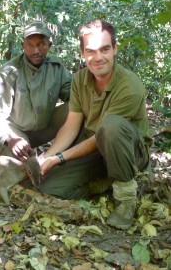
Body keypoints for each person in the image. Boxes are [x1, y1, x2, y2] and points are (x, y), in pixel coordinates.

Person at [38, 19, 152, 230]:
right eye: (90, 51)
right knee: (49, 187)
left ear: (115, 49)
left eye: (105, 49)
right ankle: (105, 182)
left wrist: (60, 158)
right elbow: (72, 125)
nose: (98, 57)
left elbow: (103, 133)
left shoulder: (130, 84)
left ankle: (126, 196)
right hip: (95, 149)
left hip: (128, 148)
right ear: (82, 53)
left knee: (110, 126)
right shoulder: (79, 80)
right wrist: (47, 158)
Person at [0, 21, 72, 160]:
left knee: (77, 107)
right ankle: (0, 147)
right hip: (16, 131)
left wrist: (84, 79)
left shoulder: (56, 68)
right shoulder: (10, 72)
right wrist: (8, 138)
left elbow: (73, 95)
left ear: (49, 45)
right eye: (30, 44)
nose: (36, 51)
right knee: (21, 165)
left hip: (45, 128)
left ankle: (73, 156)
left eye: (42, 44)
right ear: (23, 46)